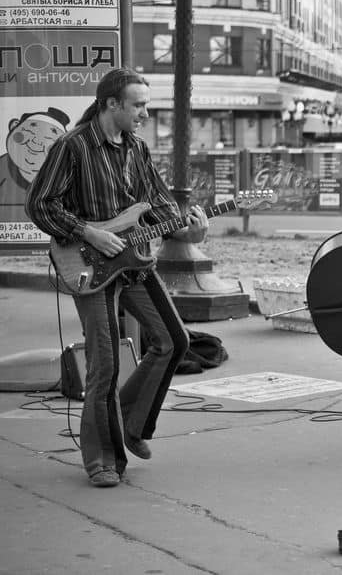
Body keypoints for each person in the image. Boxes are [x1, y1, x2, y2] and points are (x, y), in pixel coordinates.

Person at [25, 69, 208, 488]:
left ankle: (132, 422)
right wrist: (89, 232)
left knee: (173, 341)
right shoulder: (73, 147)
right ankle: (102, 459)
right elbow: (40, 205)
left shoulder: (137, 149)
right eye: (138, 105)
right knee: (104, 364)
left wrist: (187, 229)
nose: (145, 112)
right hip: (87, 263)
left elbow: (159, 207)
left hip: (135, 262)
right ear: (112, 104)